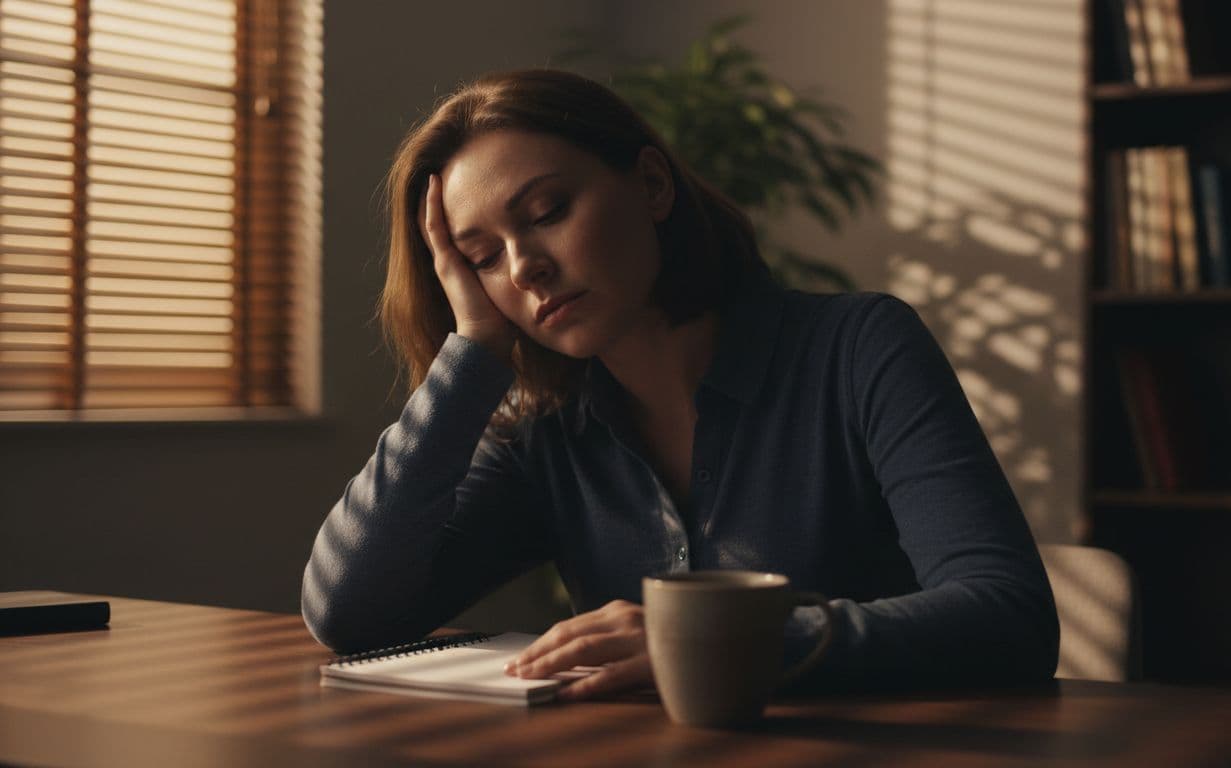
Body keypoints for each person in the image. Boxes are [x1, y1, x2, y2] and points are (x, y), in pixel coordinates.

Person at [301, 69, 1058, 700]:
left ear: (652, 185)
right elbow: (350, 614)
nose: (523, 266)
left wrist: (717, 646)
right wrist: (471, 356)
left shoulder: (859, 348)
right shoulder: (546, 428)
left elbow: (1008, 615)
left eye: (547, 212)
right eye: (482, 258)